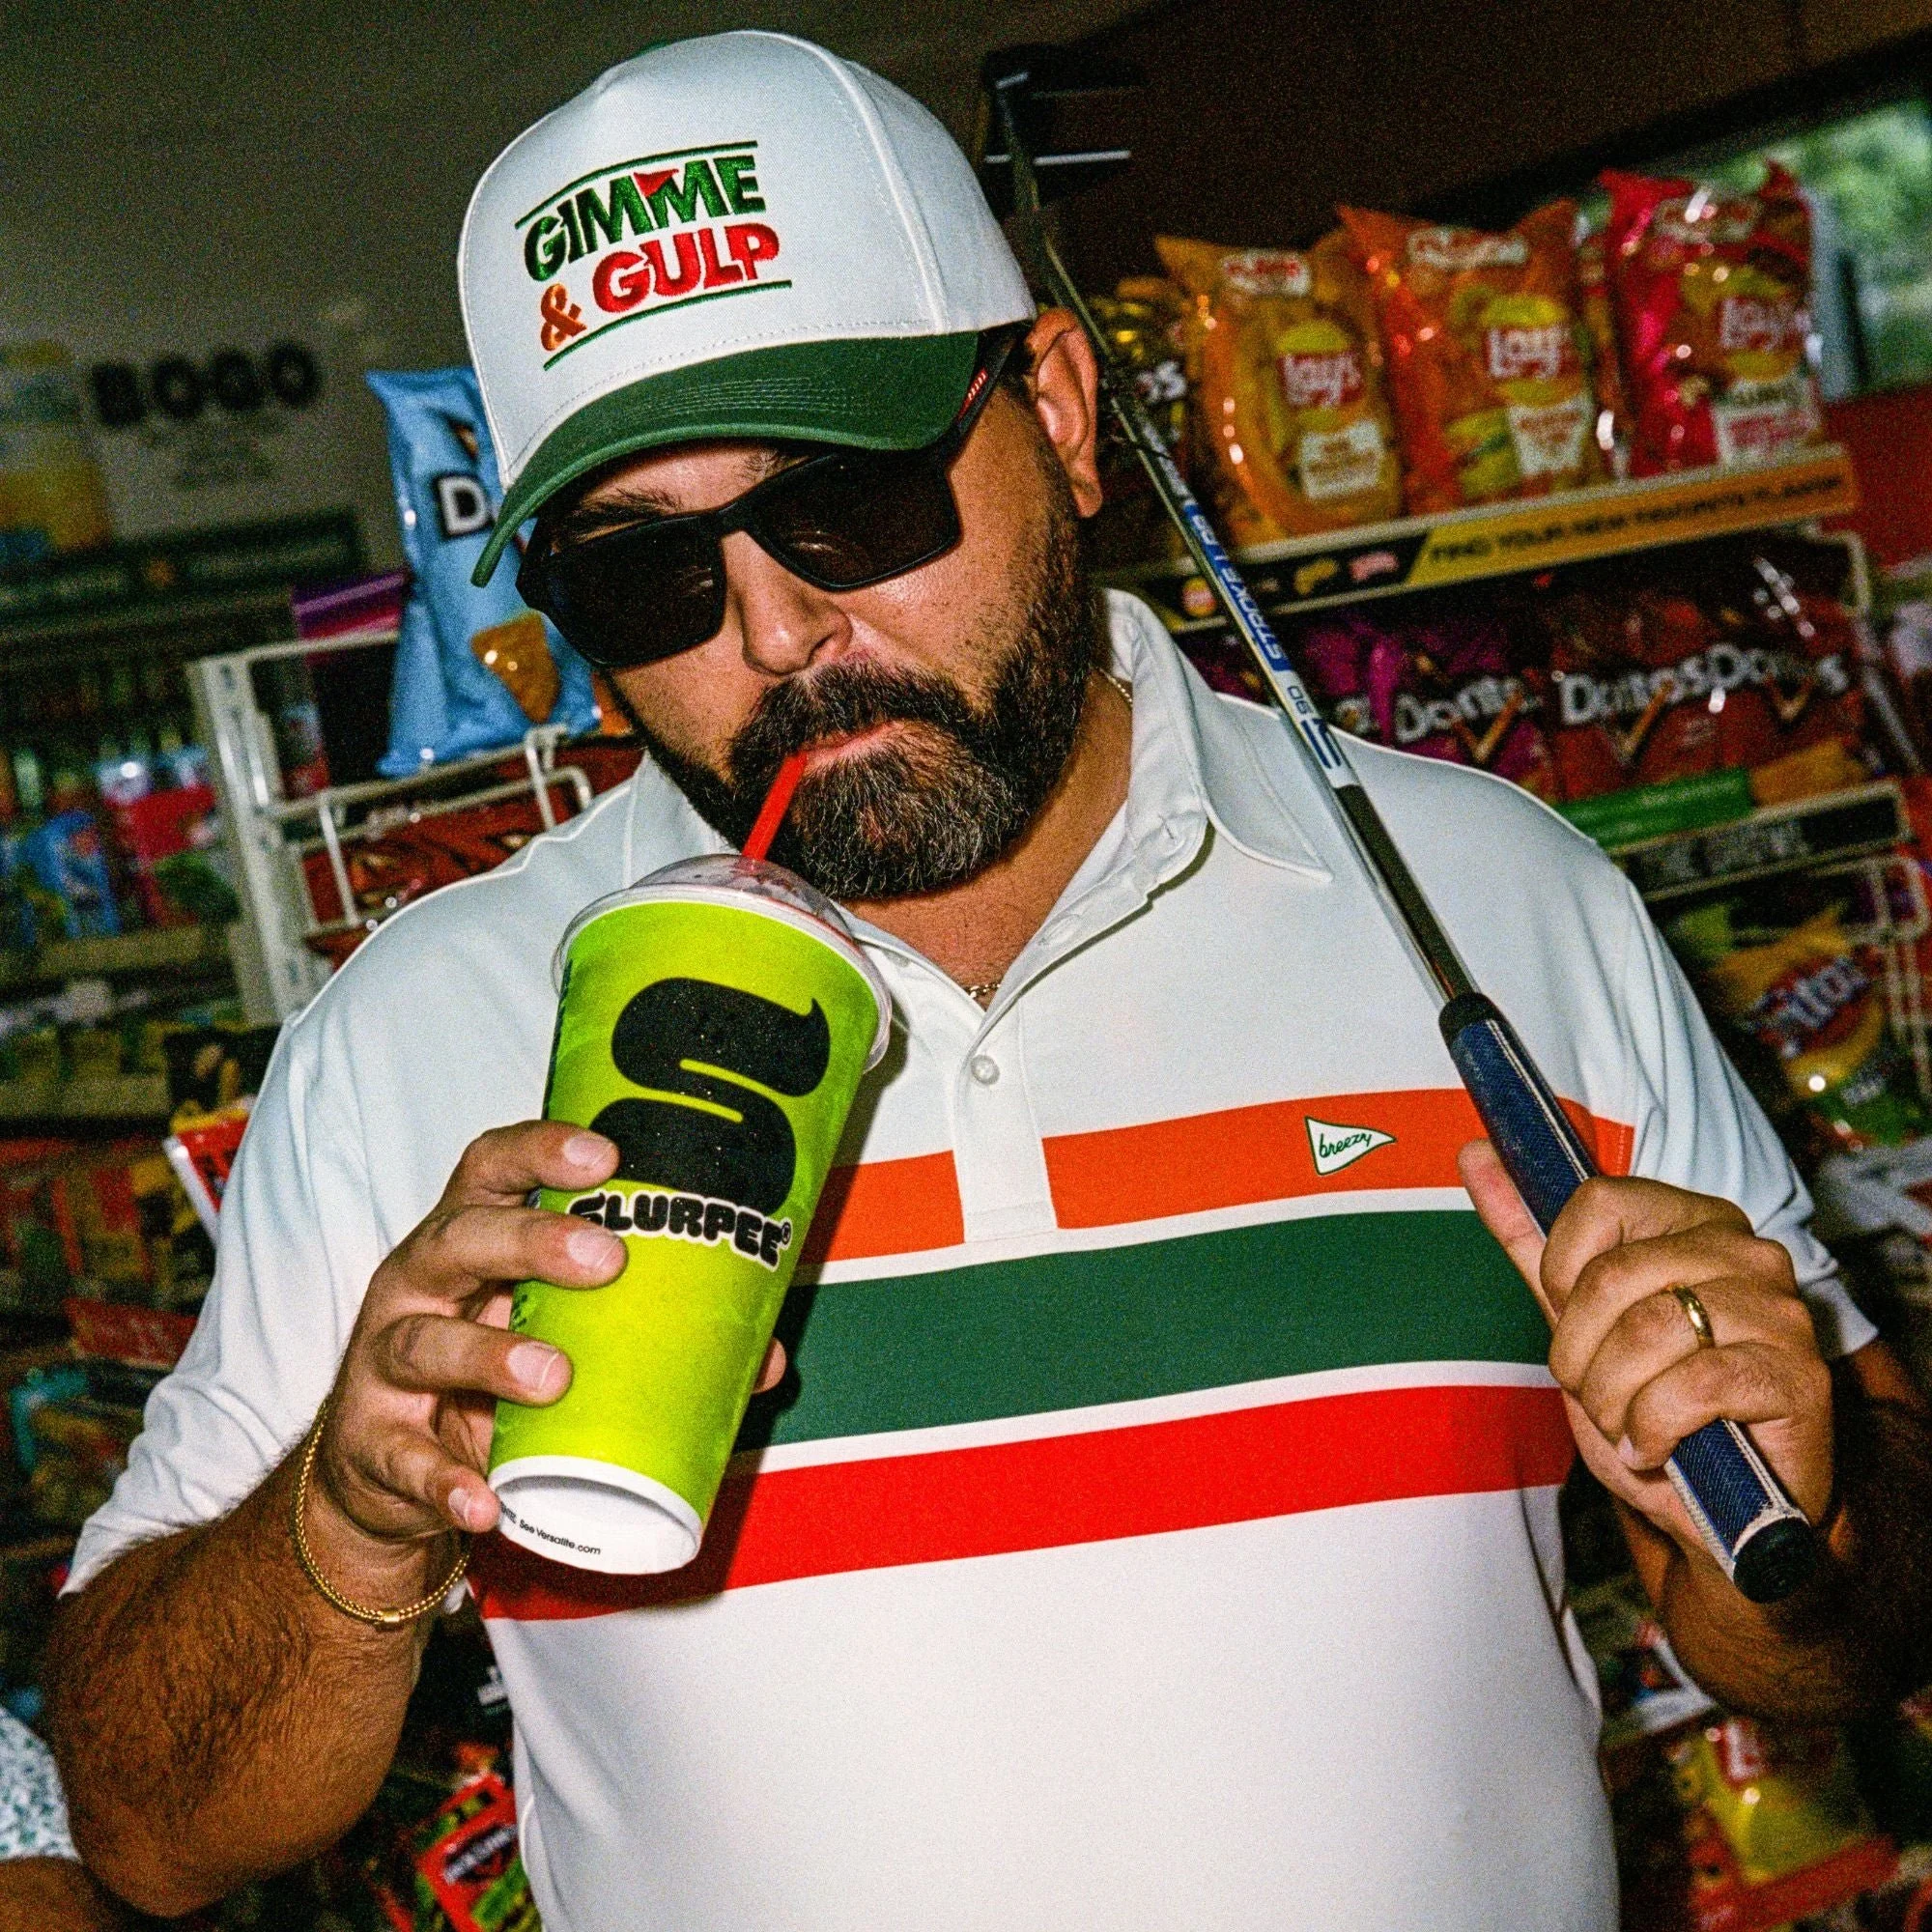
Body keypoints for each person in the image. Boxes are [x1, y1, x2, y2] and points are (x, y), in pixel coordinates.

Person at [44, 31, 1932, 1930]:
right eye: (644, 577)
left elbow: (1839, 1634)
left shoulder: (1493, 901)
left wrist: (1810, 1503)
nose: (777, 631)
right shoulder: (418, 1037)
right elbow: (139, 1818)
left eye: (844, 502)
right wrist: (345, 1526)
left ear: (1058, 407)